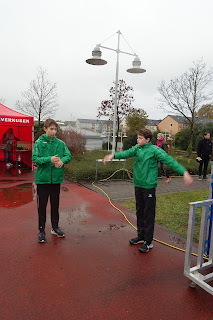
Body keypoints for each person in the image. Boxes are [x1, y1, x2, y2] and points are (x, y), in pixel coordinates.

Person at [104, 128, 193, 253]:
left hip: (149, 186)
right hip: (138, 185)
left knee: (148, 214)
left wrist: (184, 172)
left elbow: (169, 160)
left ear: (148, 140)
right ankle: (141, 236)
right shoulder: (137, 148)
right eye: (138, 137)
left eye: (140, 138)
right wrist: (113, 155)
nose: (137, 140)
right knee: (140, 211)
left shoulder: (155, 150)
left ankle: (148, 241)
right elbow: (126, 153)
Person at [32, 119, 72, 243]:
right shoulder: (39, 142)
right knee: (42, 207)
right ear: (45, 129)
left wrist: (62, 161)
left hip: (56, 180)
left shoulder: (60, 143)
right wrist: (50, 159)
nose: (54, 132)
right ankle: (41, 231)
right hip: (42, 181)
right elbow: (35, 159)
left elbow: (68, 156)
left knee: (55, 205)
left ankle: (55, 228)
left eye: (55, 129)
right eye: (51, 129)